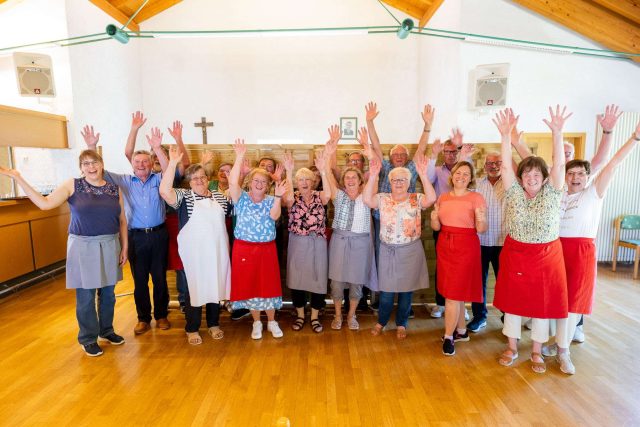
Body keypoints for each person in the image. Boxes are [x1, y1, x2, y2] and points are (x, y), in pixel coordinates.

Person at [1, 150, 127, 357]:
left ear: (102, 164)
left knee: (108, 294)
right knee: (86, 296)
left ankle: (107, 330)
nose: (90, 167)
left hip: (110, 244)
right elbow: (45, 204)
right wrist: (18, 177)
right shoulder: (73, 185)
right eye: (85, 163)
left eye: (94, 162)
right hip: (83, 246)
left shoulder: (114, 189)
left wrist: (125, 247)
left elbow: (122, 220)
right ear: (81, 168)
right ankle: (88, 338)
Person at [542, 114, 640, 374]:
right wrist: (557, 131)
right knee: (556, 302)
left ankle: (564, 352)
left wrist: (634, 137)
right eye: (570, 173)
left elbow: (614, 162)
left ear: (588, 176)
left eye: (581, 173)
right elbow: (557, 161)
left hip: (581, 252)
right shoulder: (558, 192)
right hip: (556, 251)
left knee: (573, 303)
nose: (575, 177)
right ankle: (557, 343)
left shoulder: (594, 193)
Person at [492, 106, 571, 374]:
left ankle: (536, 351)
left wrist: (557, 132)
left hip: (547, 255)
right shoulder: (513, 192)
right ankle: (512, 346)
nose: (532, 177)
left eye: (537, 174)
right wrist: (505, 136)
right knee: (513, 304)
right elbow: (505, 166)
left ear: (545, 178)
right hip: (516, 252)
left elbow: (560, 165)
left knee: (542, 304)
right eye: (527, 173)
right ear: (521, 177)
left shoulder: (553, 193)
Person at [82, 116, 172, 335]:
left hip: (159, 235)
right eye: (137, 162)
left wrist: (158, 148)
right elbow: (98, 171)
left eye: (145, 162)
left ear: (151, 164)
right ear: (132, 164)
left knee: (159, 277)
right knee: (140, 280)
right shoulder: (122, 180)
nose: (141, 165)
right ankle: (143, 318)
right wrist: (91, 146)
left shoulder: (160, 179)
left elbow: (170, 169)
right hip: (135, 237)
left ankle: (161, 315)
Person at [366, 102, 433, 313]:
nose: (400, 157)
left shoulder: (411, 168)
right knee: (381, 259)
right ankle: (380, 298)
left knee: (406, 261)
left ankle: (405, 302)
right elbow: (376, 145)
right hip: (382, 220)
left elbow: (421, 148)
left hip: (408, 221)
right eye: (396, 155)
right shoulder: (385, 166)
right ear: (391, 157)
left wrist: (427, 126)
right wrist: (369, 122)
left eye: (403, 155)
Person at [159, 146, 231, 345]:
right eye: (195, 179)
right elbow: (164, 191)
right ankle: (192, 328)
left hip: (217, 251)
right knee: (195, 290)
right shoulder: (184, 197)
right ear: (189, 183)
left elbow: (232, 207)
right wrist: (172, 163)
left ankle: (214, 324)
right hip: (195, 254)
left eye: (202, 177)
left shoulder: (220, 197)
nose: (199, 181)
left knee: (216, 288)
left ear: (208, 179)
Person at [363, 155, 436, 339]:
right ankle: (382, 321)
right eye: (395, 180)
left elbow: (431, 199)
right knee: (386, 292)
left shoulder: (416, 198)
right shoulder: (382, 198)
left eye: (403, 179)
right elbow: (366, 200)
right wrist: (372, 176)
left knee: (406, 291)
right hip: (388, 251)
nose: (399, 183)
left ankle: (402, 323)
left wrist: (423, 175)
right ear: (390, 182)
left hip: (411, 251)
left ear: (409, 182)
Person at [228, 139, 288, 340]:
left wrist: (278, 197)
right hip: (244, 249)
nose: (260, 184)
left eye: (264, 182)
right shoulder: (241, 198)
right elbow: (231, 182)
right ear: (249, 183)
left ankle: (271, 321)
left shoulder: (272, 200)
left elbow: (274, 217)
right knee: (250, 285)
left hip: (266, 249)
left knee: (268, 284)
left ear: (269, 185)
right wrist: (238, 157)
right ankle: (256, 323)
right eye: (256, 181)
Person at [430, 161, 487, 355]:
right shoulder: (443, 197)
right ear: (452, 175)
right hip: (445, 244)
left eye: (466, 174)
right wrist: (433, 218)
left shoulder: (476, 198)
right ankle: (461, 331)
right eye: (458, 173)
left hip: (466, 246)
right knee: (454, 292)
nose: (461, 176)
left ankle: (448, 336)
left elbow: (481, 229)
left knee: (453, 295)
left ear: (471, 178)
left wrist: (480, 218)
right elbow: (436, 227)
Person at [324, 129, 377, 331]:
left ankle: (351, 316)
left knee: (356, 282)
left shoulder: (367, 195)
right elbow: (328, 172)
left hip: (361, 242)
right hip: (339, 241)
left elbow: (375, 169)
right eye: (347, 177)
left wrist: (368, 148)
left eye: (354, 177)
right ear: (344, 181)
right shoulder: (338, 195)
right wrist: (331, 148)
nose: (351, 179)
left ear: (360, 180)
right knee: (337, 282)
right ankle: (337, 315)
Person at [282, 145, 332, 333]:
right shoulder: (292, 197)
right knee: (297, 279)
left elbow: (329, 195)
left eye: (307, 179)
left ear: (313, 182)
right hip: (298, 243)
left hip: (317, 242)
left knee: (318, 278)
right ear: (296, 181)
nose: (303, 182)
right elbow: (286, 198)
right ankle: (301, 315)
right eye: (300, 179)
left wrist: (323, 170)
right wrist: (288, 171)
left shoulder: (320, 196)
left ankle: (315, 317)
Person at [426, 131, 474, 319]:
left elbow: (469, 174)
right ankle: (440, 304)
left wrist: (463, 151)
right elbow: (428, 177)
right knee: (443, 267)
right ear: (443, 153)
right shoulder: (438, 170)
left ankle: (462, 306)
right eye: (447, 151)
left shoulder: (465, 168)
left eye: (454, 151)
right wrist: (432, 154)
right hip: (442, 226)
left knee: (462, 268)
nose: (450, 155)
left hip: (464, 227)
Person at [468, 151, 506, 333]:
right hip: (480, 241)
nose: (494, 166)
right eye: (490, 163)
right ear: (484, 166)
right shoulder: (477, 185)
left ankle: (508, 317)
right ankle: (479, 317)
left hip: (504, 242)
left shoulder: (510, 184)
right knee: (478, 282)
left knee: (505, 282)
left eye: (498, 162)